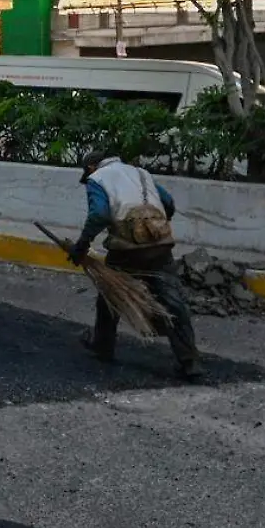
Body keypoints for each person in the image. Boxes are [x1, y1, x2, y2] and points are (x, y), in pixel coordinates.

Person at [70, 149, 201, 381]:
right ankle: (189, 361)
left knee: (111, 294)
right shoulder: (141, 173)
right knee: (173, 301)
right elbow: (168, 203)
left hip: (126, 249)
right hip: (160, 245)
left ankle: (102, 346)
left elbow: (98, 214)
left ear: (91, 167)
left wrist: (81, 245)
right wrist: (154, 225)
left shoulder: (97, 179)